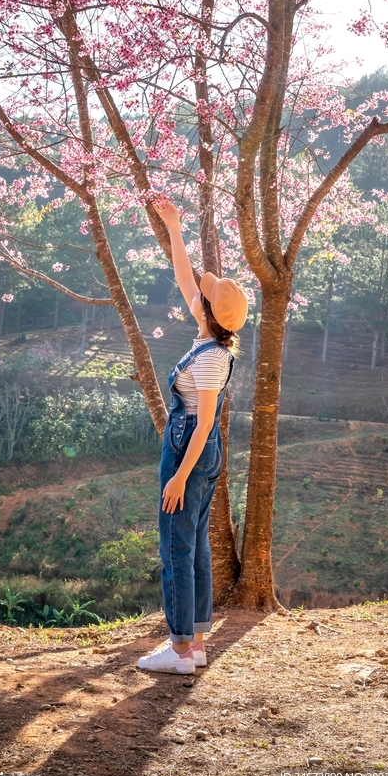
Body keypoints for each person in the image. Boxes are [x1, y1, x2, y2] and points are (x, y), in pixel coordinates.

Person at [137, 198, 248, 674]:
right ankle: (197, 644)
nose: (193, 294)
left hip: (190, 451)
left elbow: (204, 423)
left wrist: (179, 475)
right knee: (196, 546)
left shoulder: (208, 358)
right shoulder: (211, 337)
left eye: (200, 296)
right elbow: (185, 277)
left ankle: (179, 650)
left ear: (206, 310)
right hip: (205, 456)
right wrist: (174, 226)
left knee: (176, 550)